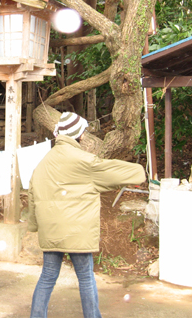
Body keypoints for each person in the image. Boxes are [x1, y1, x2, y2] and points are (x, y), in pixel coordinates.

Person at [27, 112, 146, 318]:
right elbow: (112, 171)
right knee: (85, 278)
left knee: (47, 277)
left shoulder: (42, 163)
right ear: (79, 135)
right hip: (78, 232)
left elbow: (32, 195)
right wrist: (139, 171)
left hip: (51, 231)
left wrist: (34, 224)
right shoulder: (86, 161)